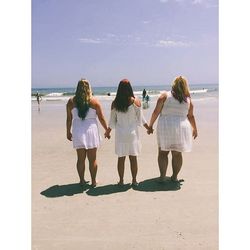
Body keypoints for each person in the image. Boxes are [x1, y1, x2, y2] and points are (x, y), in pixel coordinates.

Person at [147, 76, 198, 183]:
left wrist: (150, 125)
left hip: (166, 126)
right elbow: (191, 116)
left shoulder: (165, 96)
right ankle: (174, 177)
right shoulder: (188, 100)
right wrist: (195, 129)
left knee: (163, 153)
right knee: (177, 154)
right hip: (182, 127)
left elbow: (156, 112)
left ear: (173, 84)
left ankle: (162, 177)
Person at [105, 79, 151, 186]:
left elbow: (112, 121)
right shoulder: (136, 101)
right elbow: (141, 119)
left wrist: (108, 132)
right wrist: (148, 128)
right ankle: (134, 180)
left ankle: (121, 181)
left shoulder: (115, 103)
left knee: (121, 158)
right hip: (132, 134)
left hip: (121, 134)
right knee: (133, 158)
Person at [66, 79, 110, 187]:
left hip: (77, 131)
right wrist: (107, 130)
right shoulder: (94, 102)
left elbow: (68, 119)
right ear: (89, 88)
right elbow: (101, 118)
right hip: (91, 132)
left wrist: (68, 131)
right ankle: (94, 181)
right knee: (93, 159)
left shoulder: (71, 102)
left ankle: (81, 181)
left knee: (80, 159)